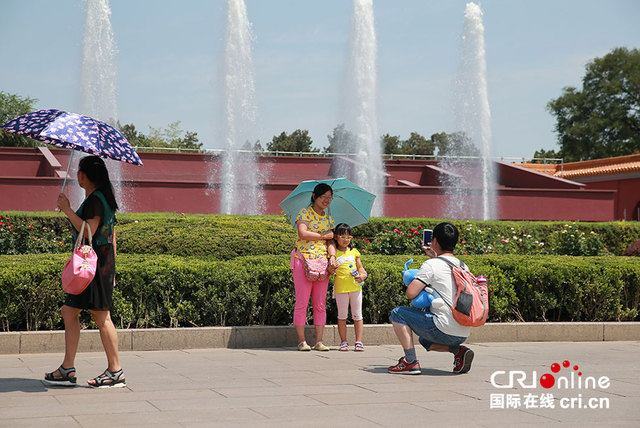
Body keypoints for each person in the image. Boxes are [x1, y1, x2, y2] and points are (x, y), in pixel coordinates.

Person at [45, 155, 125, 388]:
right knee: (69, 311)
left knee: (102, 318)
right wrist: (113, 270)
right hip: (97, 265)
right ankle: (67, 368)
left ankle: (115, 371)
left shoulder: (96, 200)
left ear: (87, 175)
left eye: (80, 172)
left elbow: (89, 230)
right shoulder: (102, 198)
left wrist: (68, 209)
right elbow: (113, 236)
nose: (77, 176)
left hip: (93, 267)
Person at [387, 222, 474, 375]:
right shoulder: (462, 265)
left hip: (442, 329)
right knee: (424, 341)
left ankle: (410, 362)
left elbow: (411, 293)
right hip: (463, 331)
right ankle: (458, 351)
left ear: (435, 241)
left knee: (397, 313)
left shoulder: (431, 265)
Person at [291, 183, 337, 351]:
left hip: (322, 264)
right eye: (323, 197)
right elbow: (302, 233)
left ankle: (319, 341)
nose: (326, 200)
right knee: (302, 302)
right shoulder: (304, 213)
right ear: (314, 197)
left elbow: (331, 241)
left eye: (329, 197)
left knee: (320, 304)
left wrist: (332, 256)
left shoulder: (329, 218)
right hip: (303, 261)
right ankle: (302, 341)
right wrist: (323, 236)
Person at [332, 223, 368, 351]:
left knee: (358, 315)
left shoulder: (354, 252)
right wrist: (332, 266)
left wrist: (363, 275)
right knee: (342, 316)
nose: (346, 240)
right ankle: (343, 341)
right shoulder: (333, 253)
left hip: (356, 287)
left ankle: (358, 341)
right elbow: (330, 271)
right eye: (342, 236)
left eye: (348, 237)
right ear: (336, 237)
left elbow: (360, 268)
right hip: (341, 288)